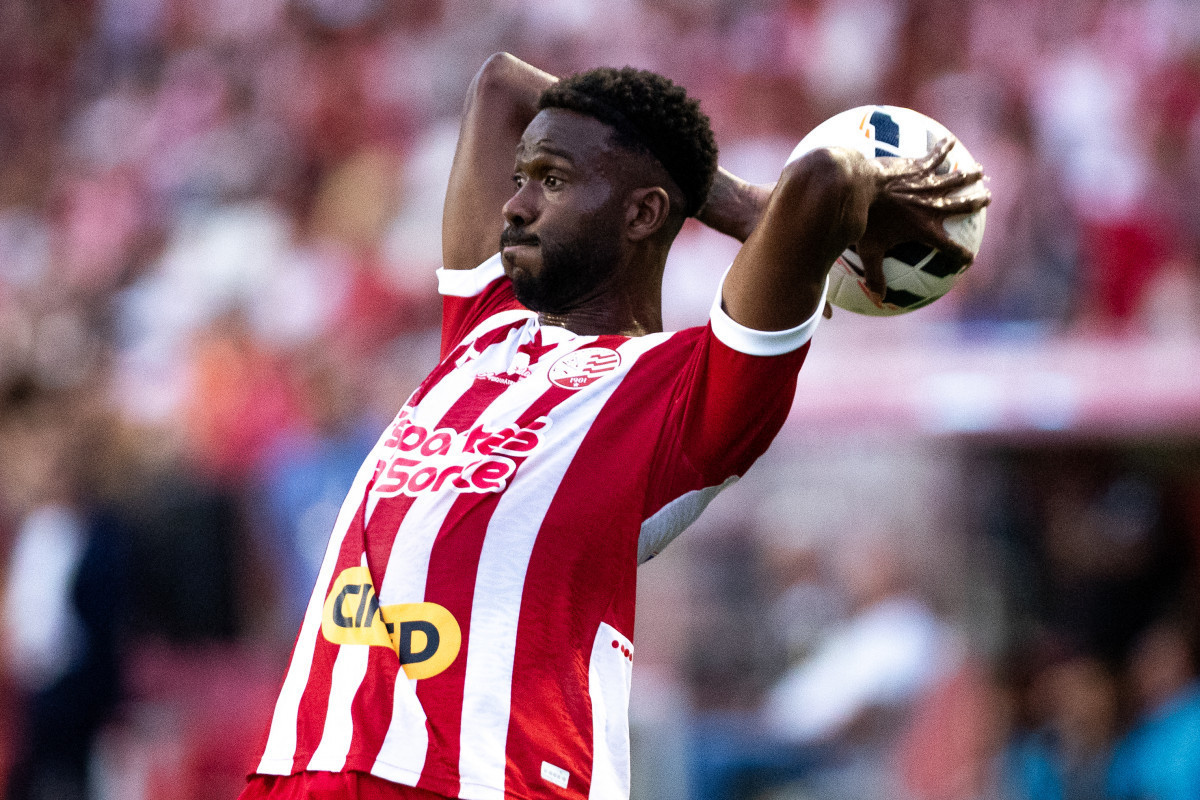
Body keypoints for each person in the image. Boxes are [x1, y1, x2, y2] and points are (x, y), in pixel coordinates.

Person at [238, 53, 989, 800]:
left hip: (484, 780)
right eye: (523, 177)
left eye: (554, 181)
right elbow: (501, 85)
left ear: (642, 213)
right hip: (307, 767)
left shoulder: (686, 397)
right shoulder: (485, 328)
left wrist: (750, 213)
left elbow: (828, 177)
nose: (516, 203)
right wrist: (709, 188)